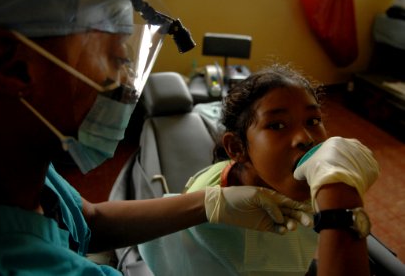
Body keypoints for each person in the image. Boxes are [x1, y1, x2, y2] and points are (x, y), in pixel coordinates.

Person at [0, 0, 314, 275]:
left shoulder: (8, 169)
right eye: (116, 57)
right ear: (11, 64)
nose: (127, 81)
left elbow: (86, 219)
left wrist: (211, 203)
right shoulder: (8, 264)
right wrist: (341, 213)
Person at [138, 64, 379, 276]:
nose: (305, 139)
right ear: (237, 147)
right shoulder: (210, 211)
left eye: (313, 121)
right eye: (277, 125)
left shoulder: (312, 180)